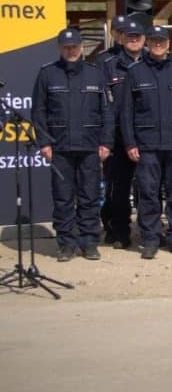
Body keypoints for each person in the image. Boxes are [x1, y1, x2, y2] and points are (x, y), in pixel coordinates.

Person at [31, 29, 114, 261]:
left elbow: (107, 112)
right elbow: (38, 112)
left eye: (74, 46)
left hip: (90, 147)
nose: (71, 50)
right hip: (60, 148)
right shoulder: (48, 74)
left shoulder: (95, 74)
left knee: (89, 196)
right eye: (66, 47)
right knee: (63, 197)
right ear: (60, 48)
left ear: (81, 47)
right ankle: (66, 243)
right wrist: (44, 143)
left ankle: (89, 242)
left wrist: (106, 142)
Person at [121, 24, 172, 260]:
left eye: (161, 41)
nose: (158, 44)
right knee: (148, 194)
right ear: (148, 43)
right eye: (154, 41)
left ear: (168, 44)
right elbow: (126, 112)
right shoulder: (135, 72)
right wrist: (130, 143)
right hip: (147, 145)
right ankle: (151, 239)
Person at [100, 17, 146, 248]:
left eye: (138, 36)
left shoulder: (153, 61)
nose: (134, 40)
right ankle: (119, 230)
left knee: (150, 188)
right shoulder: (107, 63)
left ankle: (150, 232)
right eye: (130, 36)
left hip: (147, 135)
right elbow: (103, 104)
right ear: (122, 38)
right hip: (118, 136)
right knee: (118, 187)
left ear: (144, 39)